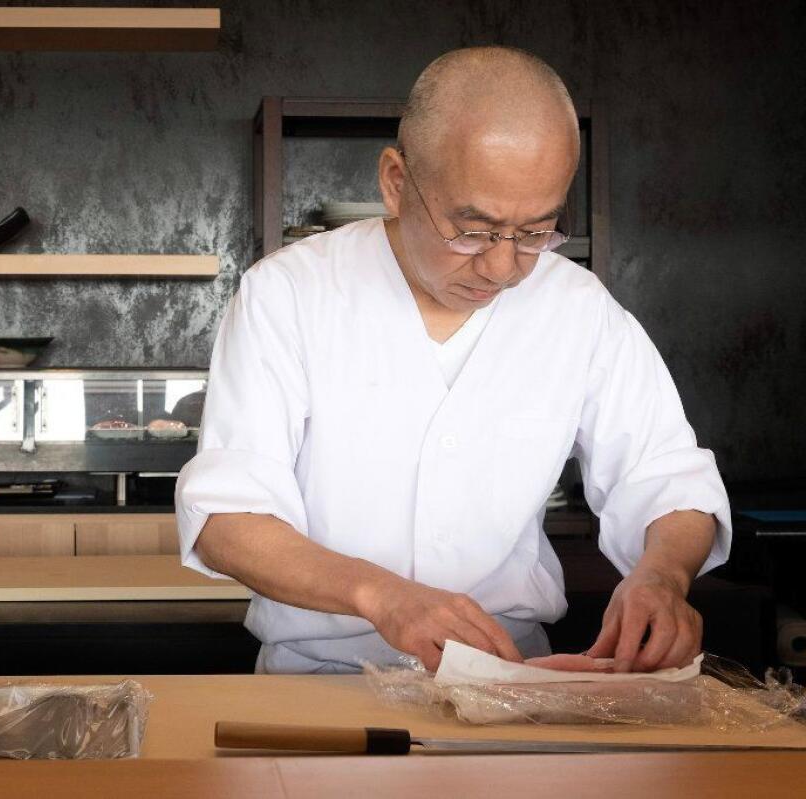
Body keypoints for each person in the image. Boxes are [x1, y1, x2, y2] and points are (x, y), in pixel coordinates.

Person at [174, 46, 731, 675]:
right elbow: (227, 516)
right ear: (395, 182)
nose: (502, 267)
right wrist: (380, 596)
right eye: (472, 230)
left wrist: (661, 576)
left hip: (515, 679)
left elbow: (667, 479)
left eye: (535, 231)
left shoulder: (577, 308)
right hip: (320, 680)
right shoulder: (291, 294)